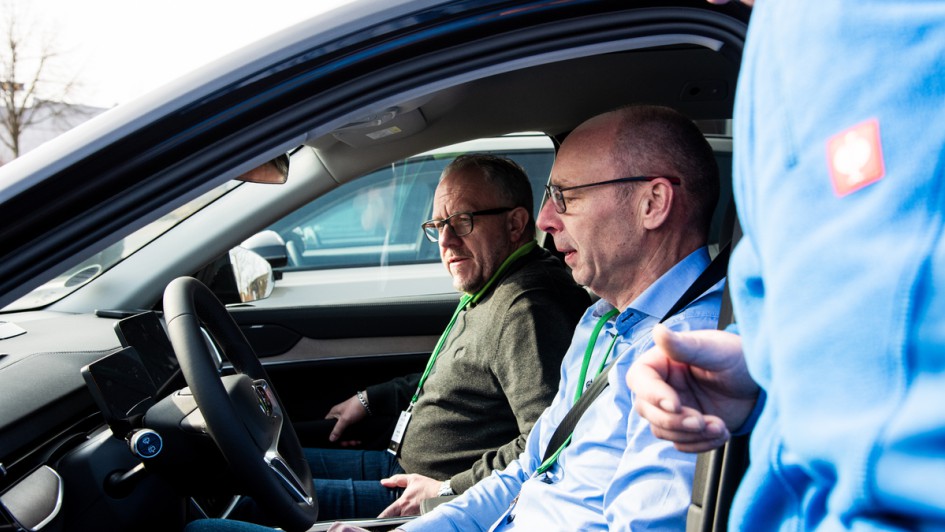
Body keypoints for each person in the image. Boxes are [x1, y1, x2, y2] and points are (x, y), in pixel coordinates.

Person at [628, 0, 945, 529]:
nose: (549, 218)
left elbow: (906, 459)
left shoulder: (858, 19)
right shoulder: (780, 37)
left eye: (566, 196)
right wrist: (759, 371)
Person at [305, 153, 591, 520]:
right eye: (438, 225)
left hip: (432, 503)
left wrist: (447, 490)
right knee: (257, 466)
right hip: (400, 469)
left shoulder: (527, 307)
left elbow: (544, 444)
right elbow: (457, 377)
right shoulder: (489, 288)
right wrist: (370, 399)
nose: (445, 240)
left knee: (251, 498)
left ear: (516, 223)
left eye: (461, 221)